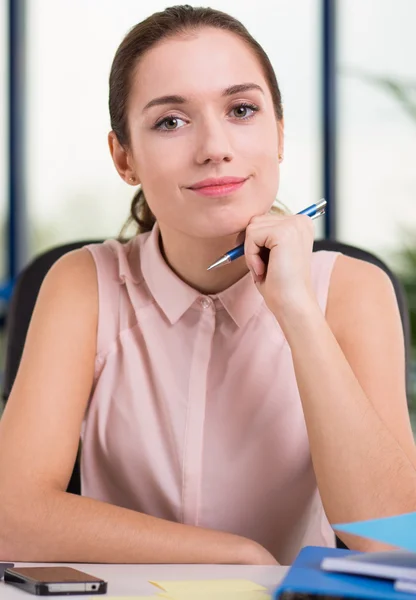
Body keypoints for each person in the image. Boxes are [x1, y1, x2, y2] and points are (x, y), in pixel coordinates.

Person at [0, 4, 415, 566]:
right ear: (124, 158)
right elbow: (11, 515)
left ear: (280, 135)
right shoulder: (83, 284)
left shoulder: (352, 289)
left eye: (242, 109)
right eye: (171, 121)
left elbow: (393, 535)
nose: (215, 147)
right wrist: (237, 556)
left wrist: (296, 309)